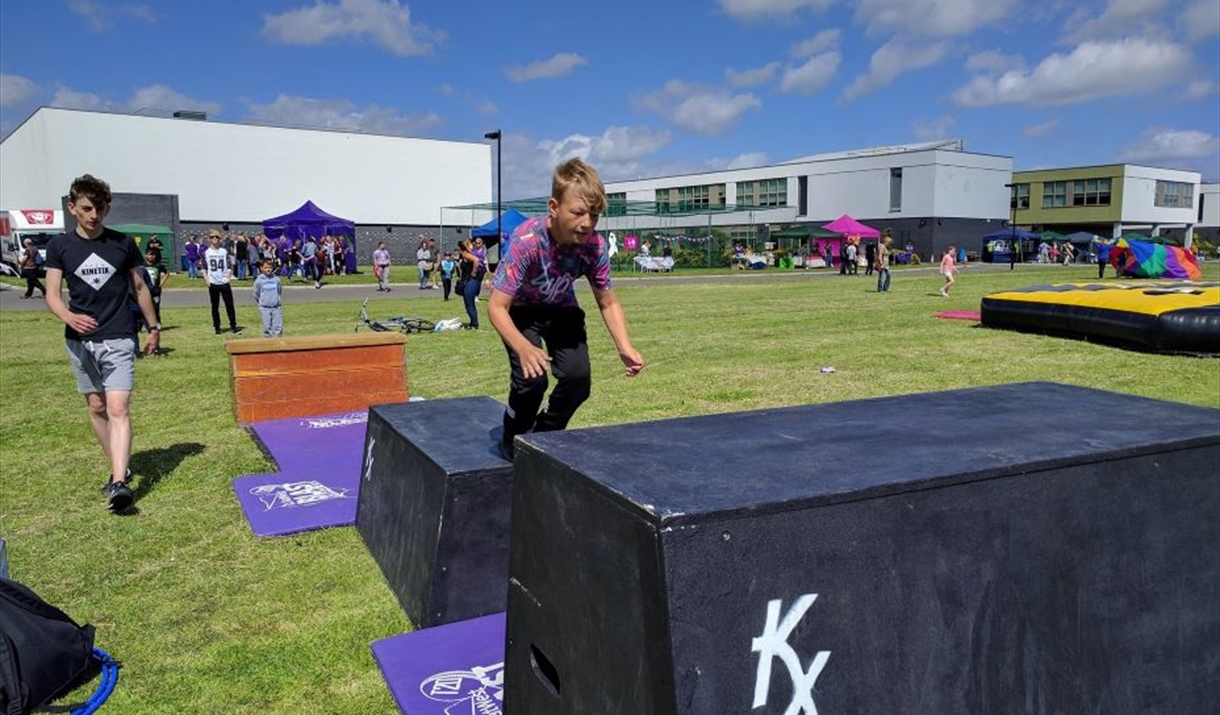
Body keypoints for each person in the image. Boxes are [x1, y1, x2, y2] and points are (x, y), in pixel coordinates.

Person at [488, 158, 644, 461]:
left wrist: (624, 346)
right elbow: (496, 307)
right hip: (521, 311)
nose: (587, 223)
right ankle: (513, 432)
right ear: (553, 207)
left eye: (595, 215)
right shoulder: (526, 241)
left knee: (578, 380)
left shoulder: (594, 247)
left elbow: (607, 301)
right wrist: (522, 346)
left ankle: (546, 433)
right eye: (578, 213)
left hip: (562, 309)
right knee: (531, 381)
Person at [44, 174, 160, 512]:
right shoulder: (59, 247)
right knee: (96, 407)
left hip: (119, 335)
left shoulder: (123, 243)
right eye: (87, 208)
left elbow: (140, 288)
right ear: (72, 208)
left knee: (118, 407)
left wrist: (153, 327)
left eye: (101, 208)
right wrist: (68, 317)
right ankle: (117, 469)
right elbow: (52, 295)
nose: (95, 215)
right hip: (80, 340)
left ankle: (120, 483)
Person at [203, 231, 241, 335]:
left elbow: (229, 265)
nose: (214, 239)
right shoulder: (206, 252)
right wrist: (207, 281)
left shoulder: (224, 251)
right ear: (209, 239)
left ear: (220, 239)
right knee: (215, 306)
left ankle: (233, 326)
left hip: (224, 282)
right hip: (213, 282)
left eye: (217, 237)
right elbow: (203, 268)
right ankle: (217, 327)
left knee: (230, 305)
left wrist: (227, 277)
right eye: (212, 237)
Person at [253, 259, 283, 337]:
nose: (268, 269)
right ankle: (268, 341)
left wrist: (277, 300)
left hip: (276, 307)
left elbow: (279, 291)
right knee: (267, 326)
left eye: (270, 267)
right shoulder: (259, 281)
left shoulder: (276, 280)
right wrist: (261, 302)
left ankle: (278, 341)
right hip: (265, 307)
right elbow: (256, 293)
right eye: (266, 267)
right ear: (261, 268)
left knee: (278, 326)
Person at [457, 238, 483, 327]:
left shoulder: (466, 255)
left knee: (469, 304)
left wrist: (474, 272)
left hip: (471, 281)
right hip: (468, 281)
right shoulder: (464, 255)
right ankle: (473, 322)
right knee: (469, 304)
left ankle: (475, 324)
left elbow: (476, 260)